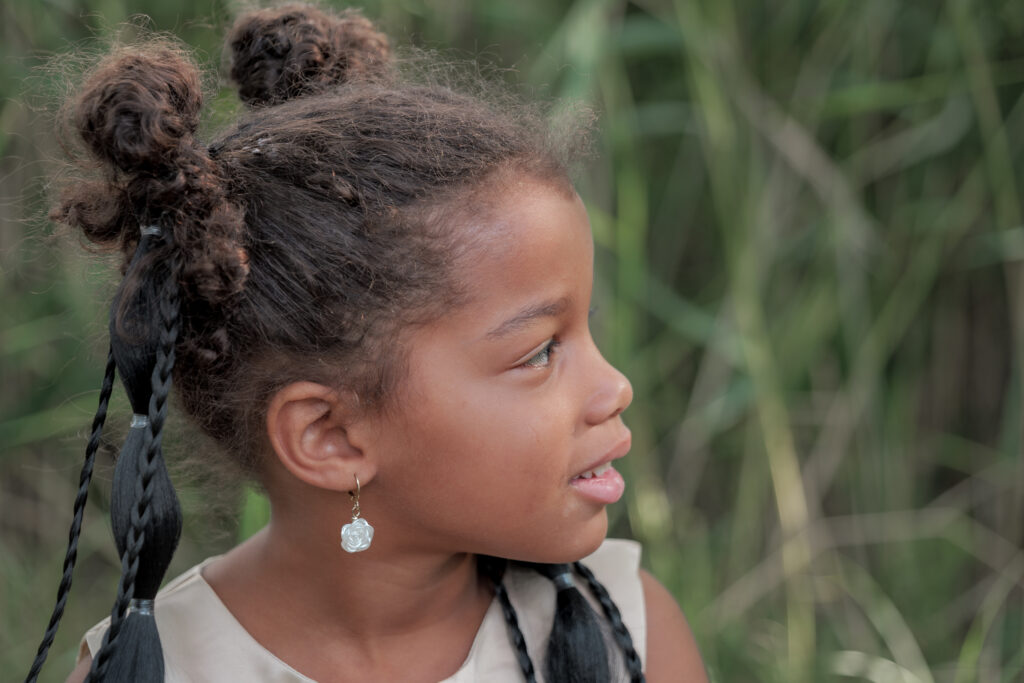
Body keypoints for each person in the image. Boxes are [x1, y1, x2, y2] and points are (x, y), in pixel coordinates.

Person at [25, 4, 706, 682]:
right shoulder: (155, 669)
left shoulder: (631, 633)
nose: (616, 386)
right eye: (538, 353)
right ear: (331, 435)